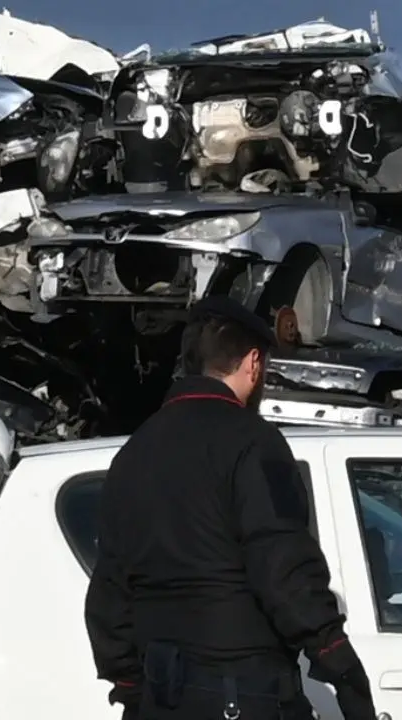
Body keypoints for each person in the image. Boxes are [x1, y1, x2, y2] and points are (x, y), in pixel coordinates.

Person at [84, 296, 376, 720]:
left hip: (158, 696)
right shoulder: (253, 443)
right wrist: (337, 658)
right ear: (253, 363)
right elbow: (282, 565)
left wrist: (129, 684)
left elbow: (110, 589)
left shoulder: (133, 453)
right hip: (241, 693)